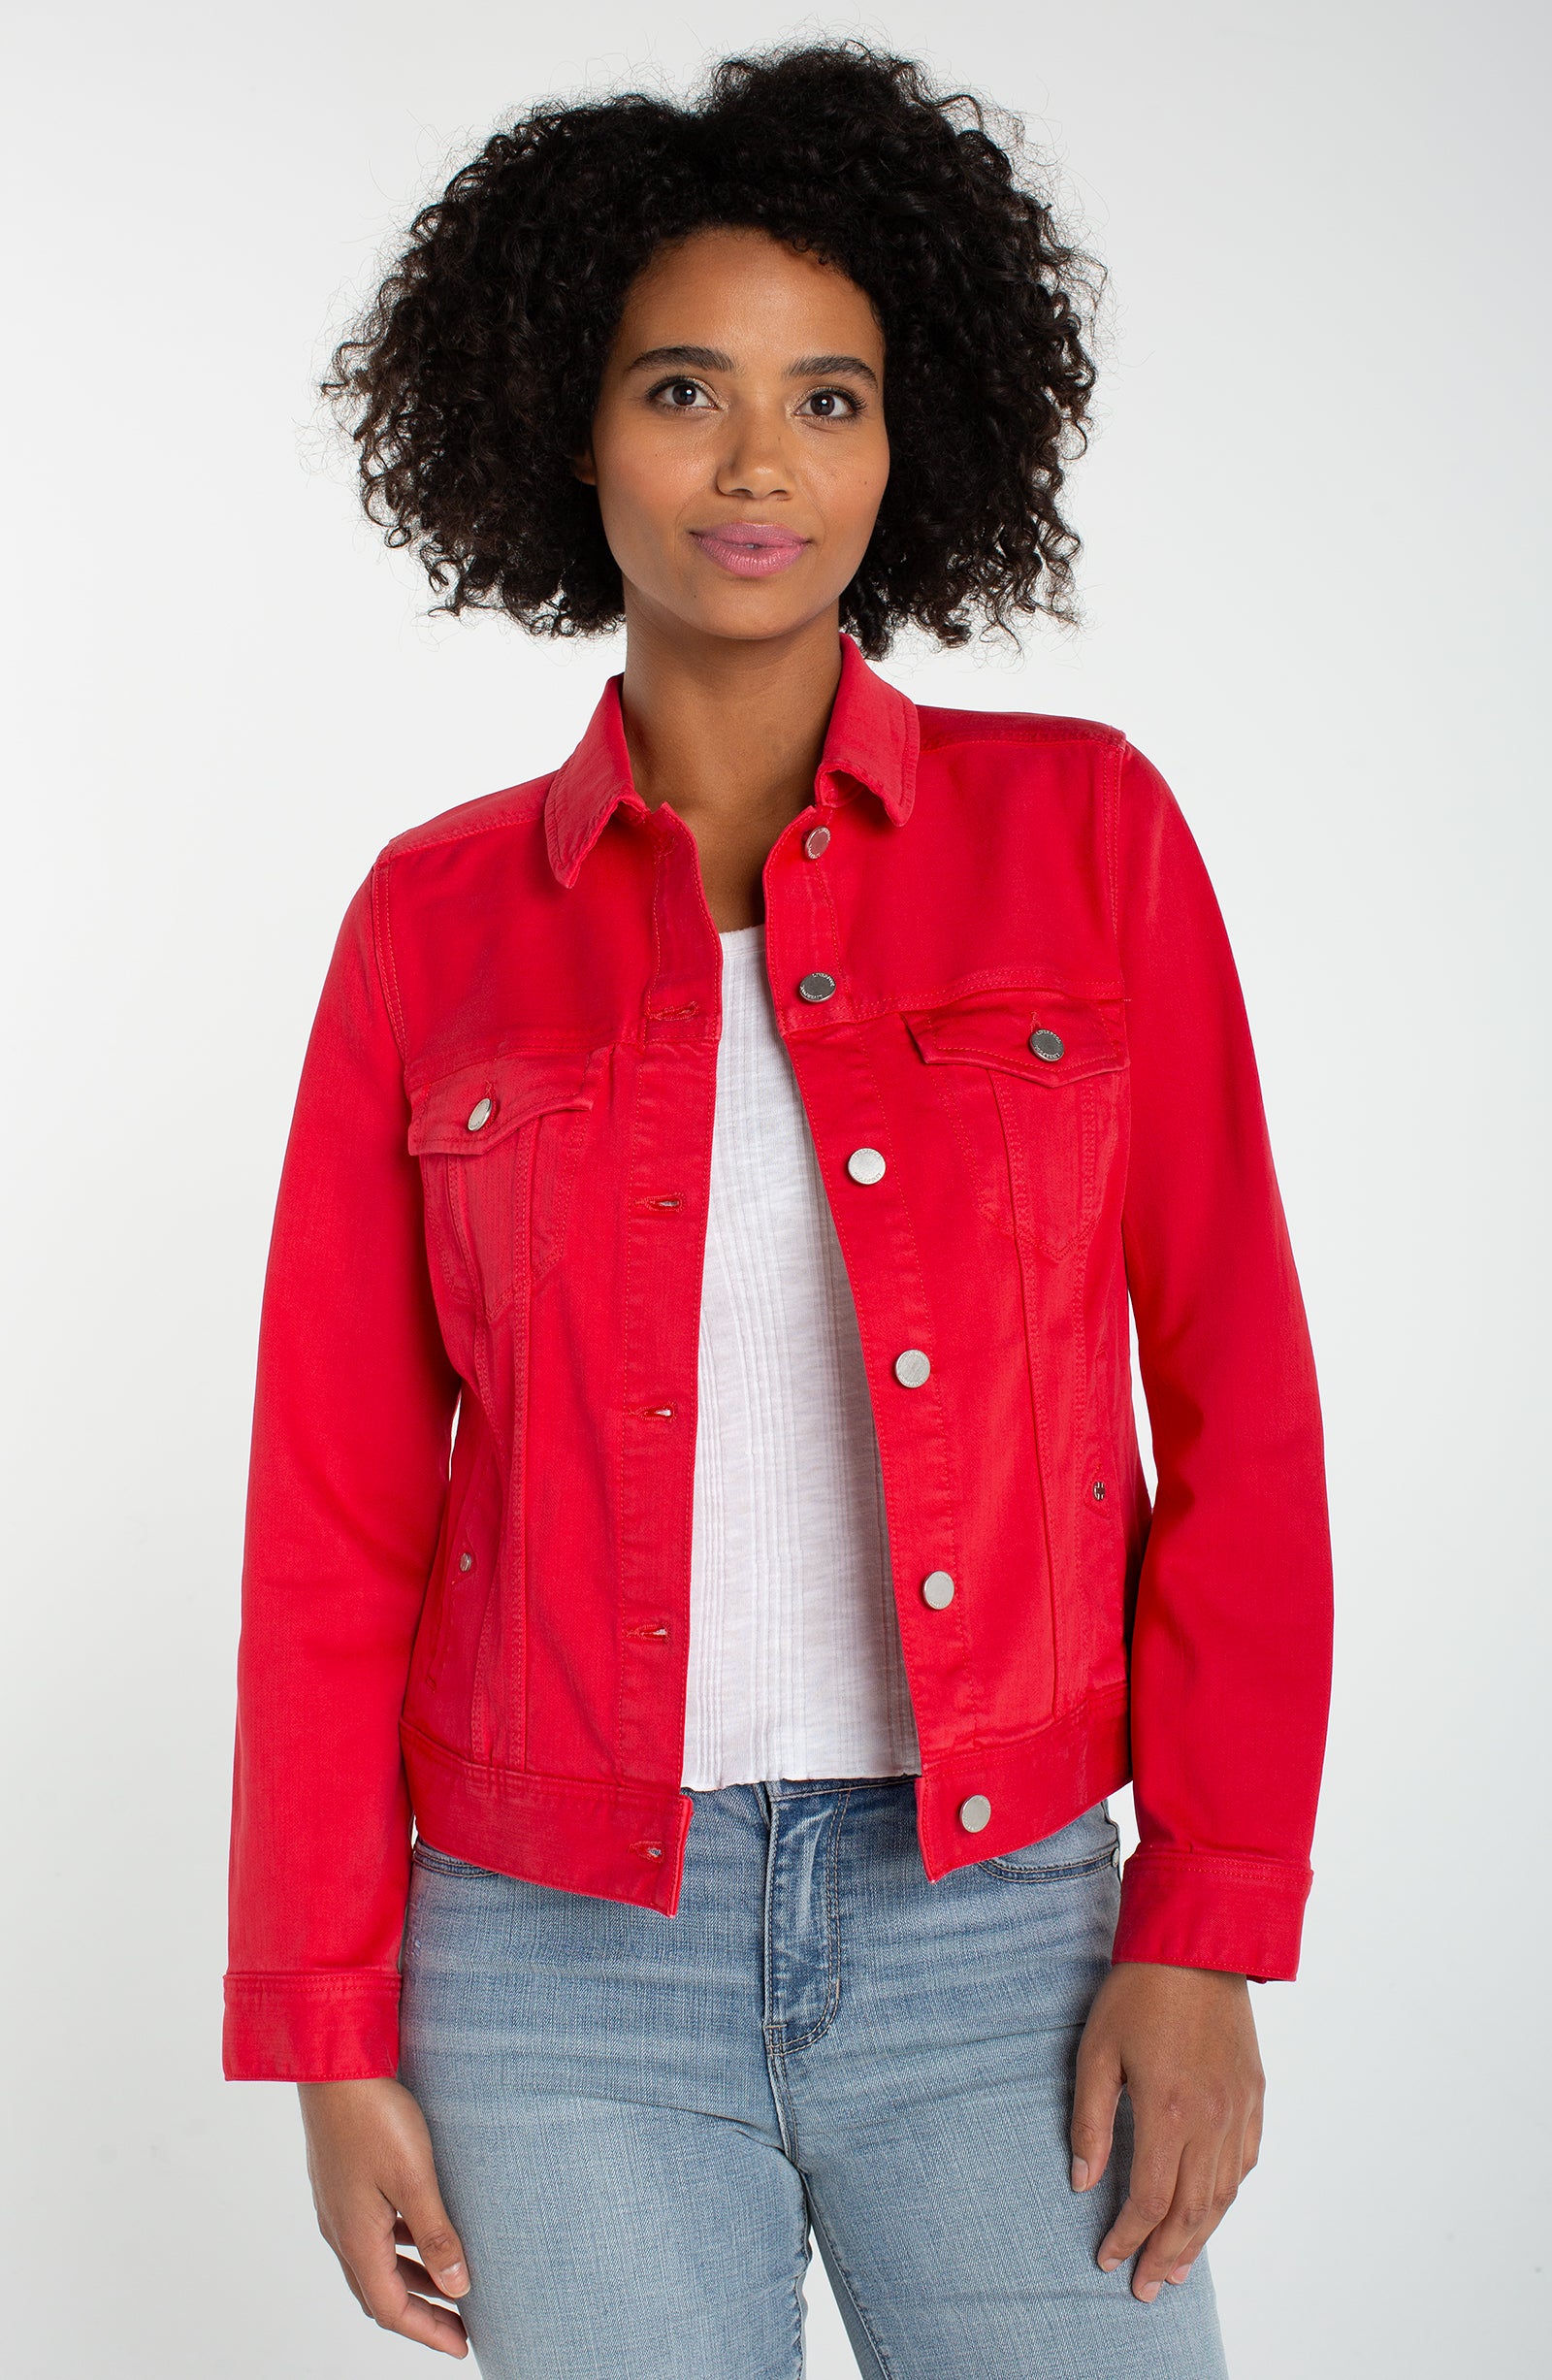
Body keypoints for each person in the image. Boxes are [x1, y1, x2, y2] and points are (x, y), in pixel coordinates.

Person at [223, 41, 1333, 2380]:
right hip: (550, 1958)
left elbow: (1239, 1398)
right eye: (682, 391)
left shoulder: (1087, 838)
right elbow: (334, 1516)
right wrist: (328, 2027)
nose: (758, 465)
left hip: (1003, 1928)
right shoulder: (431, 925)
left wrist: (1205, 1920)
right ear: (567, 428)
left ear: (911, 440)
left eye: (828, 398)